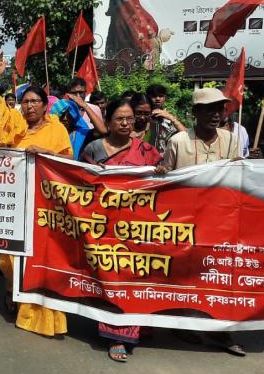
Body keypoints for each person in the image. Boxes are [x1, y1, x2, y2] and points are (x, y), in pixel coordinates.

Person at [0, 51, 72, 338]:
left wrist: (45, 153)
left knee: (41, 256)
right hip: (14, 201)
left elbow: (69, 165)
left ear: (46, 106)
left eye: (35, 101)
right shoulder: (16, 126)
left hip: (44, 204)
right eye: (25, 101)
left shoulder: (57, 130)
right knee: (9, 256)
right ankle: (12, 289)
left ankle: (38, 304)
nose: (29, 105)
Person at [157, 87, 244, 356]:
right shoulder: (178, 141)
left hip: (219, 221)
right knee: (183, 272)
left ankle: (219, 330)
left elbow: (237, 178)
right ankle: (181, 322)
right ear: (195, 113)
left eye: (219, 108)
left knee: (218, 276)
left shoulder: (231, 140)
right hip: (183, 220)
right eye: (209, 109)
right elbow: (165, 176)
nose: (216, 114)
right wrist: (161, 172)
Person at [79, 99, 160, 362]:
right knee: (111, 276)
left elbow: (162, 181)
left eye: (129, 118)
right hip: (104, 227)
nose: (125, 123)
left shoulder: (147, 151)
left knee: (134, 277)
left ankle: (134, 326)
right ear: (108, 120)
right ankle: (116, 335)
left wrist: (162, 173)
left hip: (137, 227)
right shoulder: (93, 148)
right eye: (119, 119)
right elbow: (78, 180)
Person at [105, 0, 173, 67]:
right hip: (134, 73)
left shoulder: (127, 6)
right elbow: (142, 49)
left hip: (126, 70)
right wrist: (160, 39)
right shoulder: (130, 9)